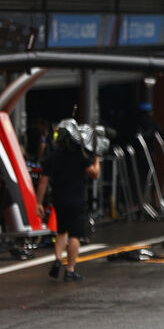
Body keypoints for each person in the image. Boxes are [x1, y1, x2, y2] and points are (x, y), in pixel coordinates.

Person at [36, 119, 100, 282]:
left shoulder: (52, 156)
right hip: (76, 199)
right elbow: (94, 174)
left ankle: (58, 260)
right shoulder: (80, 154)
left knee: (61, 231)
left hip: (58, 198)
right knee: (75, 235)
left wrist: (38, 202)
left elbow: (43, 181)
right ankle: (70, 270)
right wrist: (96, 157)